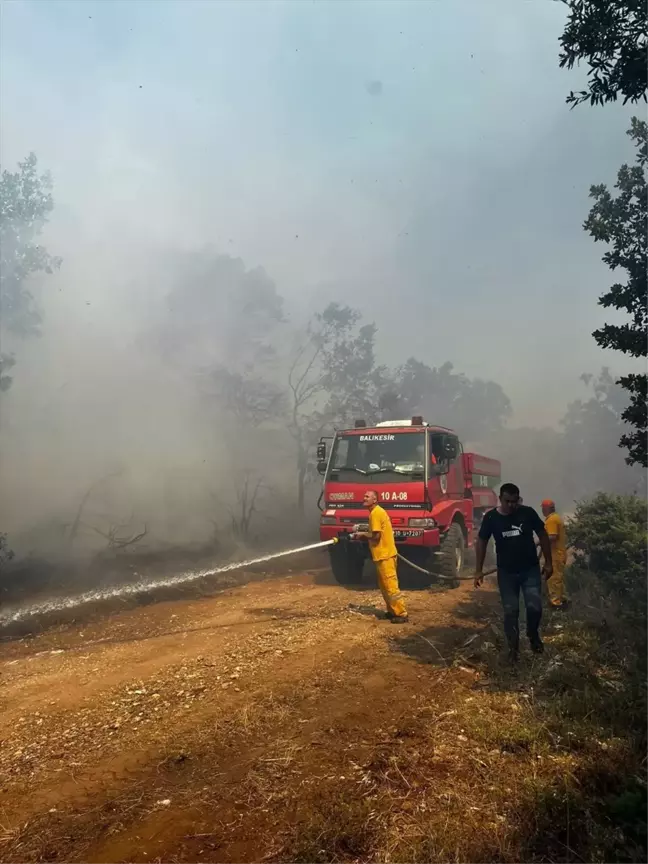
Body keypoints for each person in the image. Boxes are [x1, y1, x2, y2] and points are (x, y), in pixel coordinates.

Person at [474, 483, 553, 661]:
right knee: (511, 611)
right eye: (507, 501)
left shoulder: (528, 513)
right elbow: (481, 541)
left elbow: (543, 535)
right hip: (507, 573)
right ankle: (513, 650)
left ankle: (533, 635)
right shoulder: (491, 518)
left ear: (518, 499)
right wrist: (478, 570)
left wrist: (548, 563)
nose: (511, 505)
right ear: (500, 499)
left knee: (534, 607)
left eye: (514, 501)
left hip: (529, 569)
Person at [352, 490, 408, 623]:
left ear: (375, 500)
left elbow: (376, 536)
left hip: (385, 555)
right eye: (364, 496)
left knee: (390, 586)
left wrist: (362, 535)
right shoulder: (375, 513)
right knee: (385, 586)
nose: (364, 498)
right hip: (382, 555)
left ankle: (401, 614)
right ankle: (392, 611)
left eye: (367, 496)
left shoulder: (376, 513)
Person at [541, 499, 567, 608]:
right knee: (557, 578)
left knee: (554, 579)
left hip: (555, 555)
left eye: (543, 508)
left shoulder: (552, 520)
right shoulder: (555, 518)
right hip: (557, 554)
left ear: (547, 508)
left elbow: (552, 536)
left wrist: (538, 541)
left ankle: (556, 603)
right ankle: (561, 600)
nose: (542, 510)